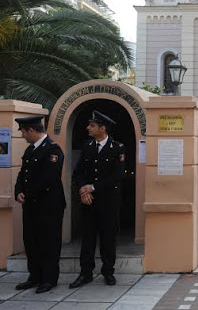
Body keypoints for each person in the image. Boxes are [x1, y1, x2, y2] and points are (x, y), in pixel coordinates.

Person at [70, 111, 125, 288]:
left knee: (108, 238)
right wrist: (82, 190)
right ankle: (85, 273)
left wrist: (92, 187)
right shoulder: (87, 146)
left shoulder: (117, 148)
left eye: (92, 125)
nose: (88, 128)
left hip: (108, 201)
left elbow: (117, 176)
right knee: (87, 239)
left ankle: (108, 272)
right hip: (89, 200)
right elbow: (78, 172)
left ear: (103, 128)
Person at [13, 115, 65, 294]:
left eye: (23, 132)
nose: (22, 135)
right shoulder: (30, 151)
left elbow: (48, 179)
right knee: (31, 241)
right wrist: (18, 190)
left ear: (32, 130)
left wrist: (27, 194)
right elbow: (22, 173)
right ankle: (34, 276)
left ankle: (49, 279)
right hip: (31, 205)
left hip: (48, 206)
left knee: (48, 242)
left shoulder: (53, 150)